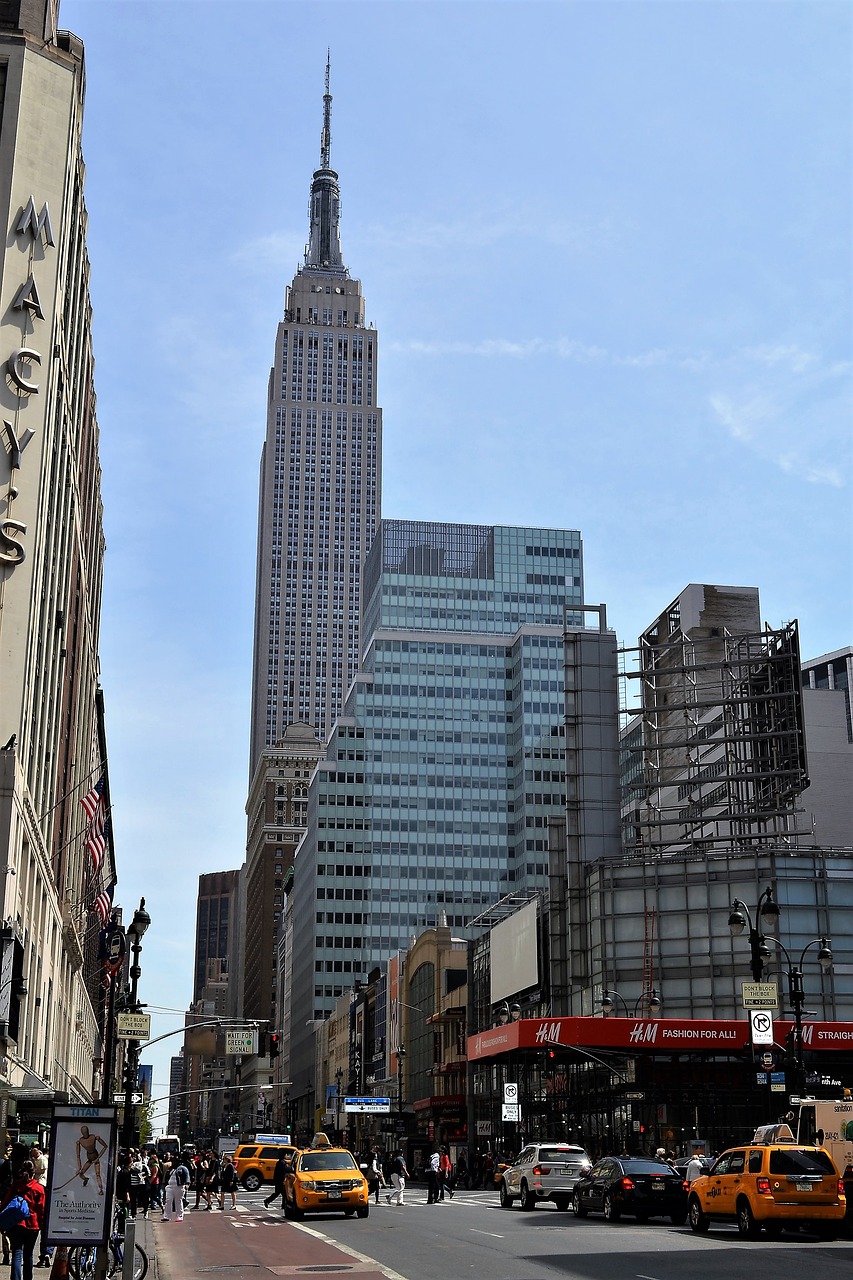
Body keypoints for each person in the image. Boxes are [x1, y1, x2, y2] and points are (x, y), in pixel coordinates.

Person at [1, 1158, 45, 1280]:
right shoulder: (39, 1188)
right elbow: (41, 1209)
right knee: (28, 1255)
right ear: (33, 1172)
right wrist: (42, 1224)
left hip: (16, 1223)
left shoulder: (16, 1186)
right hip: (33, 1224)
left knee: (16, 1253)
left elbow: (5, 1203)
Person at [161, 1154, 190, 1223]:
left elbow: (187, 1176)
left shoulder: (183, 1168)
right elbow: (166, 1176)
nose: (173, 1162)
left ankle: (179, 1216)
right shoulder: (170, 1168)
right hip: (170, 1186)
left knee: (178, 1201)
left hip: (179, 1186)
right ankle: (166, 1216)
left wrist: (187, 1183)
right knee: (168, 1200)